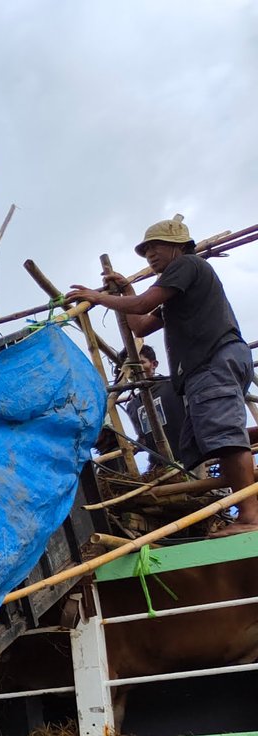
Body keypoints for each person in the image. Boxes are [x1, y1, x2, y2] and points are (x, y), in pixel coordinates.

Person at [68, 216, 258, 536]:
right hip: (205, 369)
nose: (150, 255)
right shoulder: (176, 290)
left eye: (156, 247)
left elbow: (142, 302)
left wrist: (100, 297)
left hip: (214, 360)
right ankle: (248, 511)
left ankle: (251, 517)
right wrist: (126, 290)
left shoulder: (187, 265)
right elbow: (140, 324)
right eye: (145, 251)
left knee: (225, 436)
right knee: (213, 439)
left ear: (177, 247)